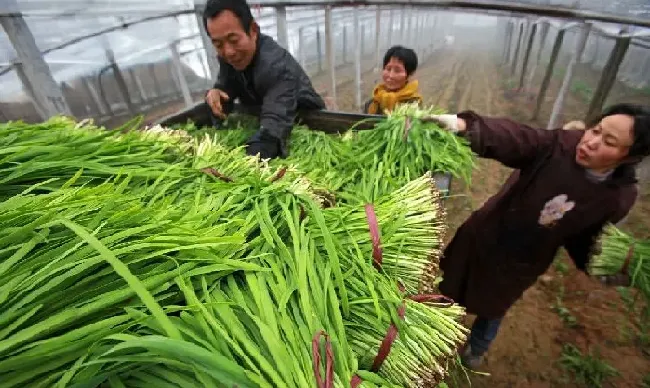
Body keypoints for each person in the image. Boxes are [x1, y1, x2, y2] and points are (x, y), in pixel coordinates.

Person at [425, 104, 650, 369]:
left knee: (493, 307)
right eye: (595, 130)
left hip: (523, 261)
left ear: (630, 157)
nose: (590, 142)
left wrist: (605, 264)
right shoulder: (560, 145)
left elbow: (585, 240)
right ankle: (433, 334)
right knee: (450, 287)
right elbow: (518, 138)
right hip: (486, 234)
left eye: (608, 142)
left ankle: (477, 348)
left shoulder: (617, 197)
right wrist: (464, 127)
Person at [202, 0, 325, 159]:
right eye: (218, 44)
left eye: (233, 40)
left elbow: (273, 128)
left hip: (308, 121)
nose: (228, 52)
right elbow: (227, 85)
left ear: (253, 30)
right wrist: (217, 93)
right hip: (265, 114)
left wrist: (243, 165)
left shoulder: (276, 66)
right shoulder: (230, 58)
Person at [364, 45, 422, 115]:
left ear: (410, 73)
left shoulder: (413, 104)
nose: (391, 76)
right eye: (388, 69)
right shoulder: (372, 103)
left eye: (397, 71)